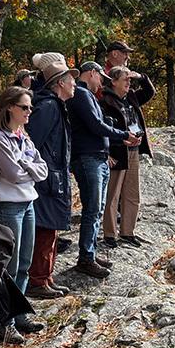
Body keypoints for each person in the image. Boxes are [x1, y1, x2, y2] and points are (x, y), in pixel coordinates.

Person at [0, 85, 48, 341]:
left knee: (24, 264)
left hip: (28, 203)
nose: (29, 111)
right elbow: (12, 174)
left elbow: (42, 170)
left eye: (31, 107)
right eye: (24, 107)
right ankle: (4, 323)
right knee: (7, 266)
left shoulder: (24, 137)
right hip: (7, 206)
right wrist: (29, 169)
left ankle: (20, 315)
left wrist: (25, 165)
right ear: (10, 107)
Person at [67, 61, 139, 278]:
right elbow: (95, 125)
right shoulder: (82, 94)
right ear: (91, 73)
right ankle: (86, 258)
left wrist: (118, 139)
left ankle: (89, 252)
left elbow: (96, 125)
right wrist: (123, 134)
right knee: (92, 208)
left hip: (95, 156)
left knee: (97, 208)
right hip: (88, 157)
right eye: (100, 78)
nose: (101, 83)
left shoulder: (87, 95)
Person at [25, 54, 78, 298]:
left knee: (51, 230)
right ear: (60, 83)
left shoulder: (54, 105)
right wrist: (42, 172)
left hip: (52, 179)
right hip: (46, 181)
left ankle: (45, 277)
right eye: (70, 79)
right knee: (44, 230)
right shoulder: (48, 107)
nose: (74, 83)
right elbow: (32, 143)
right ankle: (37, 280)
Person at [101, 66, 156, 247]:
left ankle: (127, 232)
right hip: (117, 151)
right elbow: (102, 129)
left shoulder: (131, 97)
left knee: (132, 193)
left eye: (130, 80)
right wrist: (107, 151)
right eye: (125, 79)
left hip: (134, 150)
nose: (129, 82)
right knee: (112, 194)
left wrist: (141, 77)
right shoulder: (105, 101)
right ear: (114, 81)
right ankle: (110, 234)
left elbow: (149, 92)